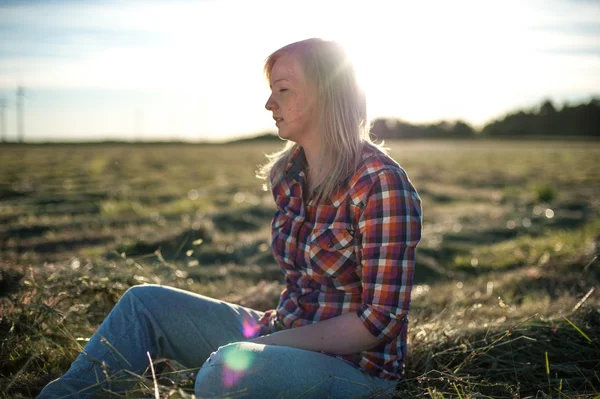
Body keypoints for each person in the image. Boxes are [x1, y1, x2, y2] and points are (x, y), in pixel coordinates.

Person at [37, 38, 422, 399]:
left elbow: (379, 322)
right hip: (282, 332)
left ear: (327, 94)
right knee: (143, 304)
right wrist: (265, 340)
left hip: (356, 370)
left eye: (283, 89)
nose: (270, 104)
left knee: (223, 371)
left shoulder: (380, 184)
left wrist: (257, 348)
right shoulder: (289, 174)